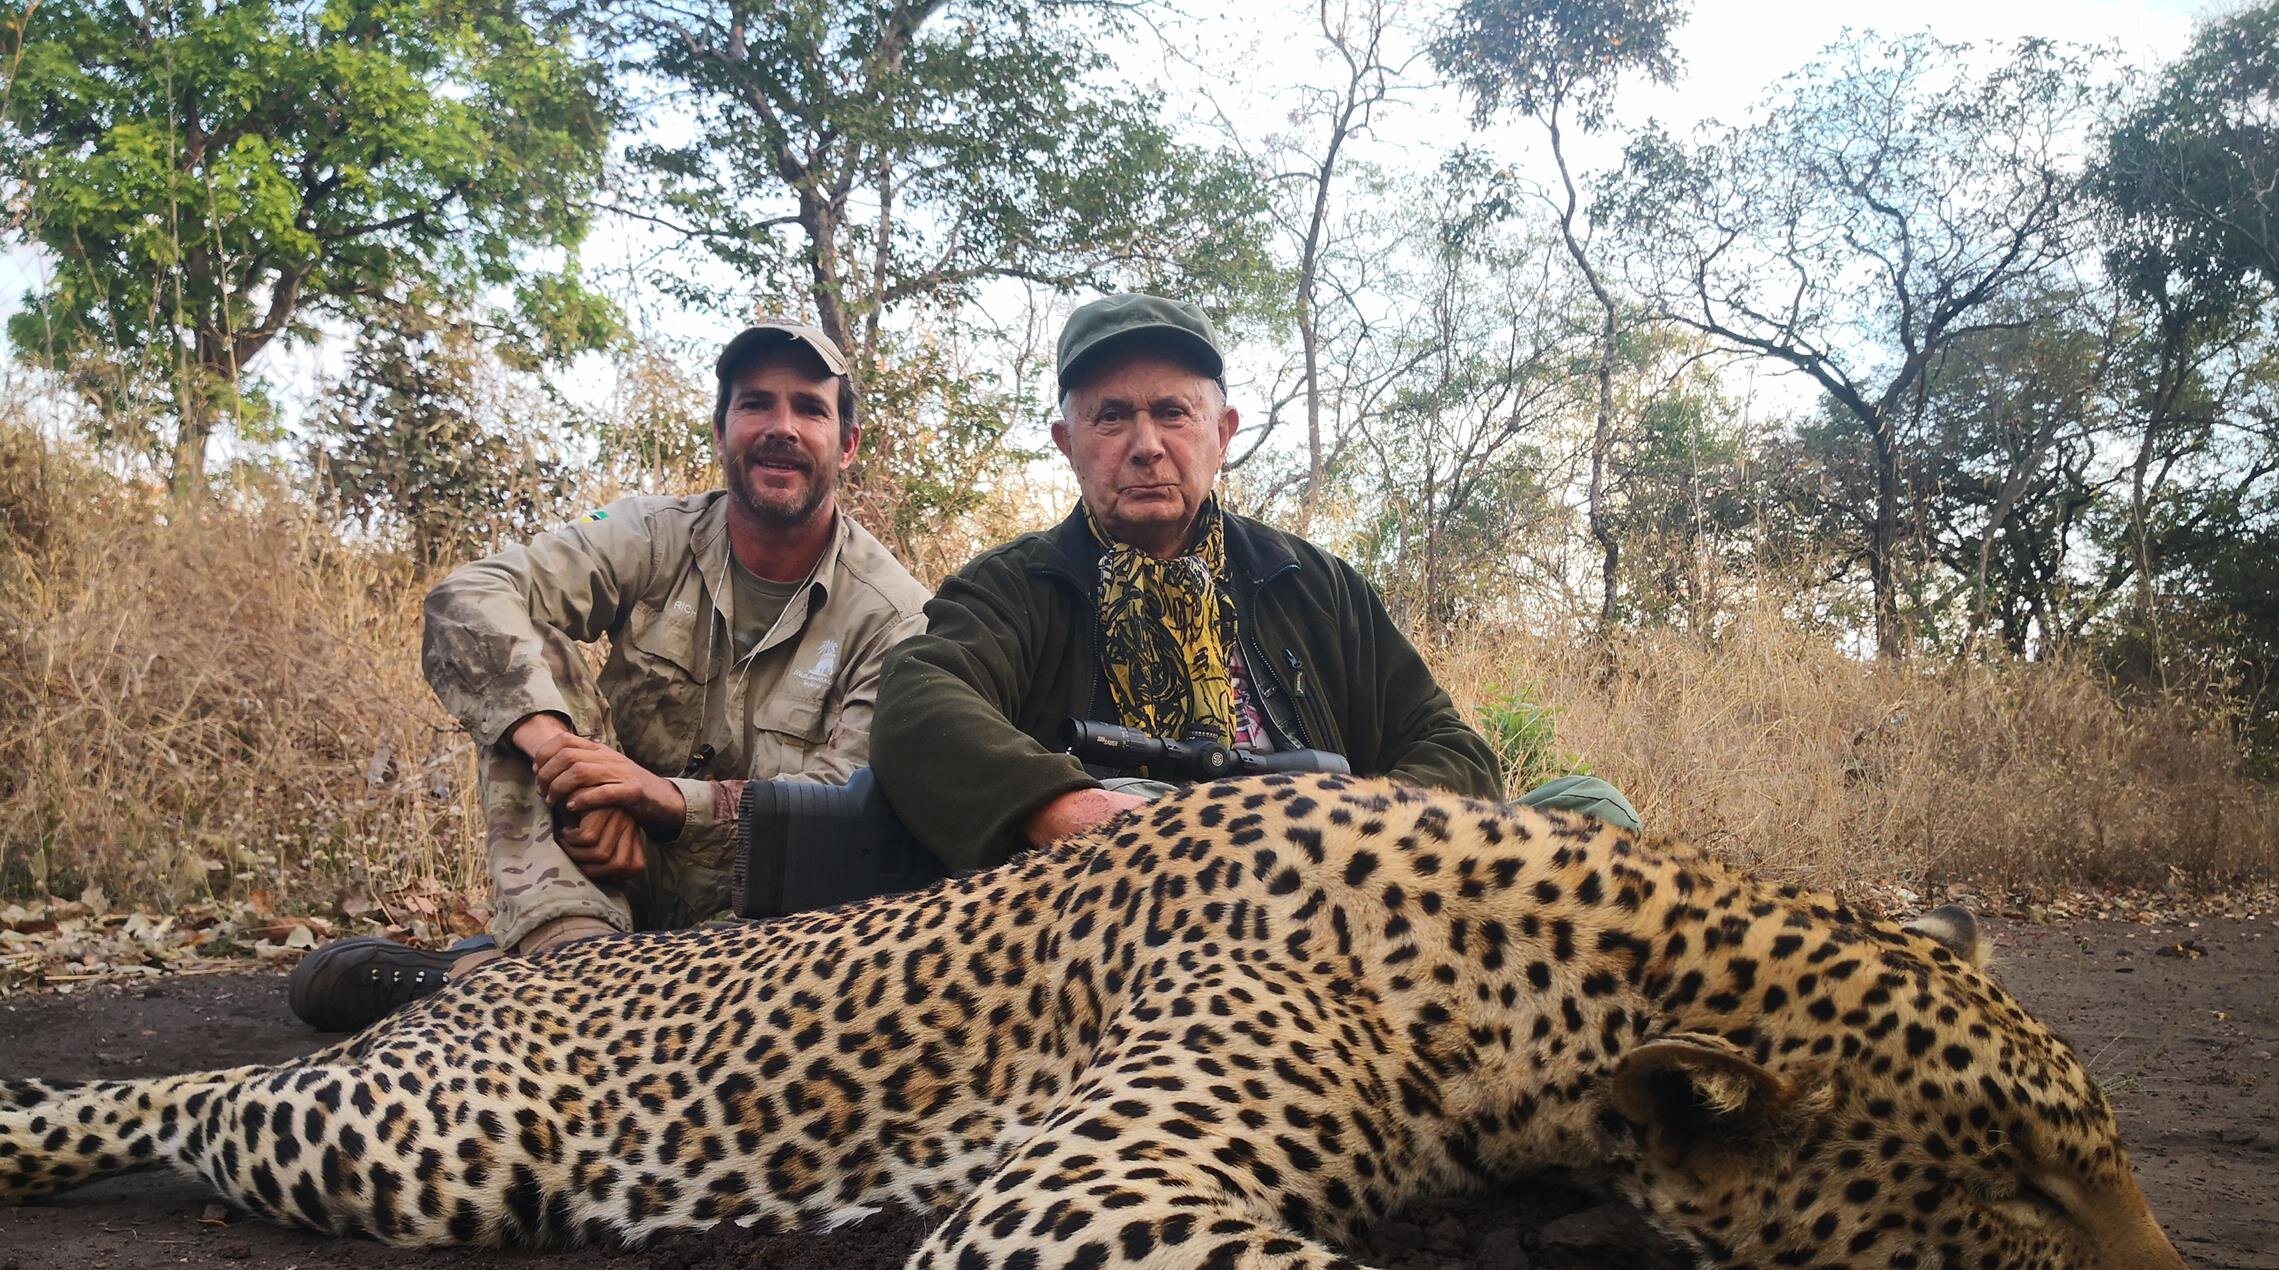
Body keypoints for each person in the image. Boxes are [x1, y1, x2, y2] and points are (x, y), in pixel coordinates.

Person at [290, 320, 930, 1032]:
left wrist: (663, 800)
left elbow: (845, 809)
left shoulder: (897, 614)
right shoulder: (650, 533)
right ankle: (572, 961)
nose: (780, 426)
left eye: (809, 408)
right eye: (755, 404)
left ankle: (488, 986)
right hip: (604, 874)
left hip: (760, 929)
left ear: (846, 444)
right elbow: (468, 596)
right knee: (528, 667)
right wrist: (564, 761)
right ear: (721, 431)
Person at [869, 293, 1637, 870]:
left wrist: (1363, 821)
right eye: (1110, 418)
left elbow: (1445, 742)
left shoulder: (1314, 582)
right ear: (1067, 444)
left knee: (1588, 809)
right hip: (1137, 896)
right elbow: (917, 698)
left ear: (1222, 433)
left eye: (1172, 412)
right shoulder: (1014, 585)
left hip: (1339, 873)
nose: (1145, 446)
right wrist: (1062, 804)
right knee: (1141, 826)